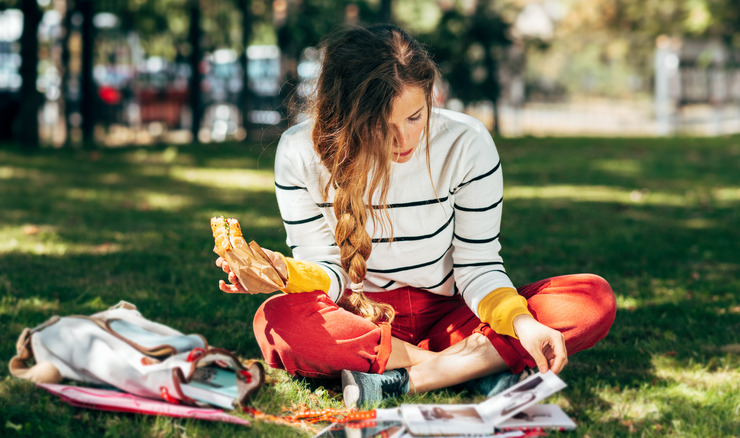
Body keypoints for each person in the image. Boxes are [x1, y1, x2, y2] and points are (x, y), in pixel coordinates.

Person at [216, 24, 616, 407]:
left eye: (415, 117)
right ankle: (473, 368)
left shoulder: (466, 143)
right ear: (347, 117)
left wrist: (522, 323)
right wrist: (285, 273)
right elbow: (328, 272)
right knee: (277, 321)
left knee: (590, 298)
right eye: (381, 124)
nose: (403, 140)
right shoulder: (299, 152)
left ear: (431, 98)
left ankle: (407, 380)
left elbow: (478, 266)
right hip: (361, 319)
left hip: (452, 315)